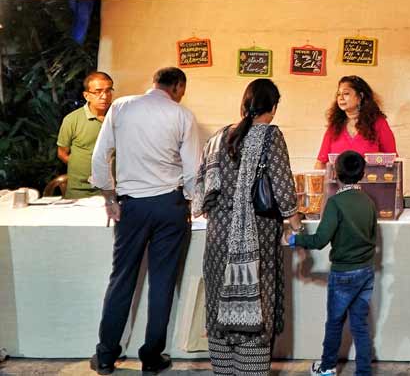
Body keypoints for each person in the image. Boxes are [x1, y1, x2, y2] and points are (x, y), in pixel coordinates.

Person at [89, 67, 202, 375]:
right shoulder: (182, 116)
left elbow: (101, 157)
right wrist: (192, 201)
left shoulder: (122, 106)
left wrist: (109, 198)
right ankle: (152, 357)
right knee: (163, 281)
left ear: (154, 83)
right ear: (178, 86)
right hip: (170, 205)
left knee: (122, 277)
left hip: (131, 207)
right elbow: (192, 169)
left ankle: (105, 356)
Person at [195, 78, 301, 376]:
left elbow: (202, 189)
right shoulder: (269, 136)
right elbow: (281, 185)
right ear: (274, 107)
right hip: (255, 234)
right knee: (255, 299)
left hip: (218, 235)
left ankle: (224, 370)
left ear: (245, 104)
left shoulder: (218, 137)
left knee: (219, 301)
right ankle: (250, 370)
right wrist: (295, 221)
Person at [290, 150, 377, 376]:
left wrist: (294, 239)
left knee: (335, 323)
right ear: (363, 173)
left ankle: (327, 367)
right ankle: (364, 371)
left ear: (335, 173)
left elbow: (320, 240)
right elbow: (372, 237)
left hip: (343, 273)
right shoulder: (368, 201)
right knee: (360, 325)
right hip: (366, 271)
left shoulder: (336, 203)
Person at [315, 75, 397, 168]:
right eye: (338, 94)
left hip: (371, 181)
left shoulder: (378, 123)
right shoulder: (334, 126)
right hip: (339, 182)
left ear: (360, 96)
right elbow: (321, 163)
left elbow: (393, 161)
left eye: (346, 93)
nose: (340, 98)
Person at [57, 71, 114, 198]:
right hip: (79, 190)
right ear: (86, 95)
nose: (104, 96)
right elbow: (62, 153)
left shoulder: (120, 117)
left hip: (113, 189)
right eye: (98, 92)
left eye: (108, 91)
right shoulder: (72, 120)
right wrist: (81, 168)